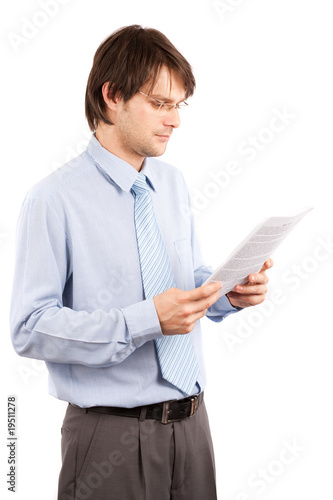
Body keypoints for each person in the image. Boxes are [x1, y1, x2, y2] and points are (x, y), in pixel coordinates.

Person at [10, 25, 272, 500]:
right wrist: (145, 320)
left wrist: (224, 293)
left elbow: (183, 278)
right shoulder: (52, 200)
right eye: (160, 103)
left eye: (179, 105)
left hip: (193, 428)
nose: (175, 120)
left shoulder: (171, 183)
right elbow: (30, 328)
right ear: (112, 97)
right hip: (109, 436)